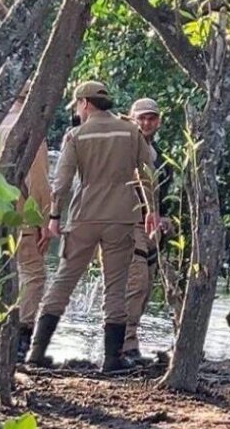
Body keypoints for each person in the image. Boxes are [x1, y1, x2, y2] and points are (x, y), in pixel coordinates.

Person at [26, 80, 158, 373]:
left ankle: (36, 352)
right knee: (116, 286)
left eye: (77, 105)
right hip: (121, 216)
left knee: (64, 280)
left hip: (83, 216)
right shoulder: (131, 131)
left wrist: (54, 217)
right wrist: (152, 210)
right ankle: (112, 359)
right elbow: (147, 173)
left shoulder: (76, 135)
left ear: (85, 103)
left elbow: (61, 183)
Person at [0, 95, 52, 363]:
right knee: (33, 272)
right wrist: (43, 219)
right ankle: (20, 338)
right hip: (19, 209)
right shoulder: (31, 127)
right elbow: (38, 179)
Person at [121, 98, 176, 365]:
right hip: (126, 226)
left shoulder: (162, 159)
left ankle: (128, 344)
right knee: (136, 282)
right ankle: (126, 346)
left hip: (152, 231)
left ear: (159, 121)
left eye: (151, 118)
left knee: (144, 288)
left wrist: (168, 219)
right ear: (131, 119)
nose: (146, 123)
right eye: (141, 117)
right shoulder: (121, 149)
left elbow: (167, 198)